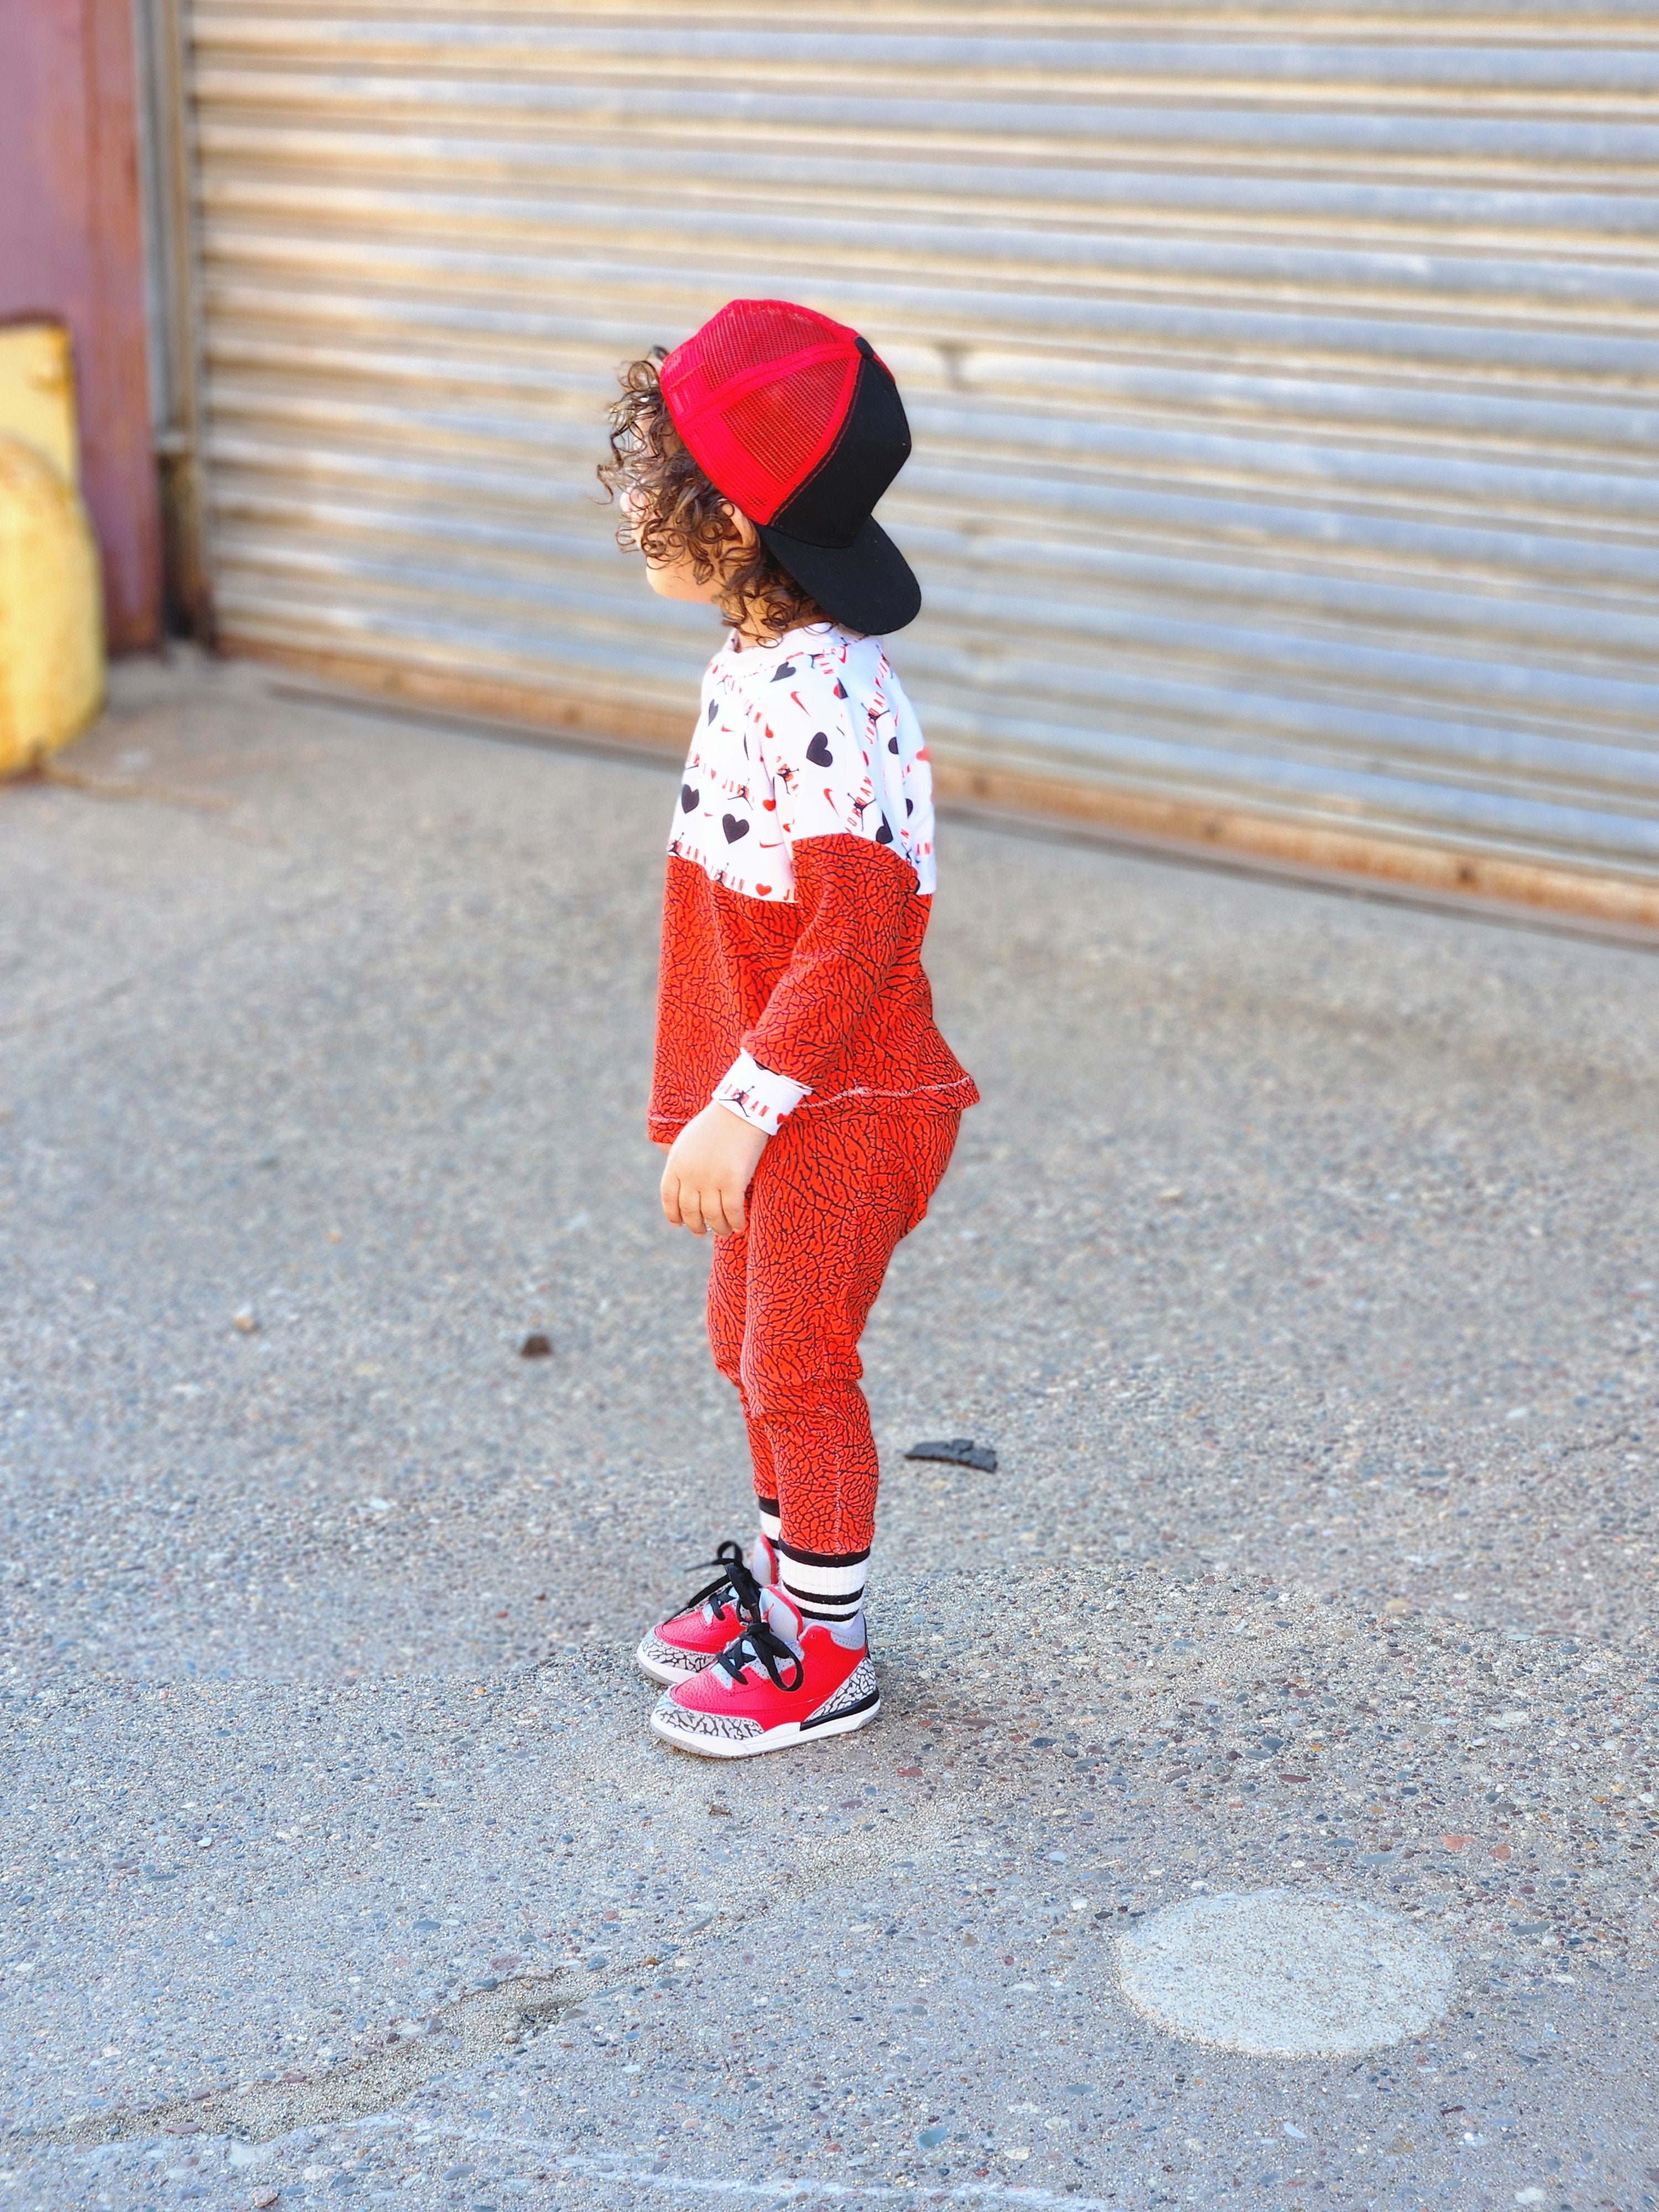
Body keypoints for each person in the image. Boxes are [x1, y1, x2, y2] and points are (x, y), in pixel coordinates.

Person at [598, 299, 977, 1758]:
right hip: (784, 1086)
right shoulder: (755, 665)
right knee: (742, 1343)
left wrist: (742, 1105)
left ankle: (825, 1652)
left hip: (843, 1097)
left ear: (738, 526)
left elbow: (862, 932)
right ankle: (784, 1577)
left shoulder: (822, 694)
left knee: (796, 1363)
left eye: (663, 481)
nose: (635, 507)